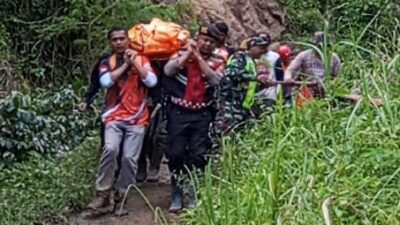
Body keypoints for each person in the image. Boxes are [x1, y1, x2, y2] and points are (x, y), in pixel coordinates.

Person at [85, 27, 157, 216]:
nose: (119, 42)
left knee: (129, 159)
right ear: (110, 42)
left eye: (122, 39)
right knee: (110, 149)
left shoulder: (142, 59)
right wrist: (125, 65)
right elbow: (106, 82)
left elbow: (151, 81)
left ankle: (122, 198)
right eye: (115, 39)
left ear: (128, 40)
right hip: (113, 117)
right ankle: (102, 193)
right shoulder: (106, 62)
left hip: (137, 118)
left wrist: (135, 62)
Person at [163, 23, 225, 212]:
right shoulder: (180, 53)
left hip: (202, 114)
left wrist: (198, 58)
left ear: (215, 45)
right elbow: (168, 71)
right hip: (178, 113)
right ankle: (176, 191)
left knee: (199, 155)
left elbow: (216, 80)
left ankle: (192, 191)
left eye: (211, 42)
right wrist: (188, 55)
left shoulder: (217, 60)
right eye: (204, 39)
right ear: (197, 38)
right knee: (176, 153)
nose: (206, 44)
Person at [214, 36, 269, 136]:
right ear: (252, 46)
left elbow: (248, 86)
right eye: (261, 48)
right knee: (223, 135)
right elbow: (231, 72)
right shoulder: (240, 56)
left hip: (243, 107)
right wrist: (254, 78)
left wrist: (261, 84)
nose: (263, 51)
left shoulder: (252, 62)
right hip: (230, 105)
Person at [284, 32, 341, 99]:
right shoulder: (304, 55)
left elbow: (338, 77)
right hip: (308, 89)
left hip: (327, 91)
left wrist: (331, 84)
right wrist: (288, 78)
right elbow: (290, 69)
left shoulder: (334, 58)